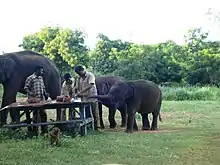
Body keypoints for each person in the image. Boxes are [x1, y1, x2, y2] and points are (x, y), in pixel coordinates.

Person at [24, 65, 49, 134]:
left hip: (41, 99)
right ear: (37, 70)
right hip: (34, 100)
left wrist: (45, 93)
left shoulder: (41, 78)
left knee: (43, 114)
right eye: (41, 71)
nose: (42, 72)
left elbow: (43, 87)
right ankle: (35, 131)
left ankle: (44, 130)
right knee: (35, 115)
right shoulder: (30, 78)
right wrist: (31, 93)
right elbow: (26, 88)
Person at [74, 65, 100, 130]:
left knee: (94, 112)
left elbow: (90, 85)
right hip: (84, 98)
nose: (79, 74)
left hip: (92, 96)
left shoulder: (90, 75)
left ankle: (96, 127)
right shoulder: (78, 78)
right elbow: (77, 87)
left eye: (79, 73)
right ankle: (88, 126)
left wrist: (81, 91)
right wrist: (76, 93)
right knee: (86, 112)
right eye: (77, 73)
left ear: (82, 70)